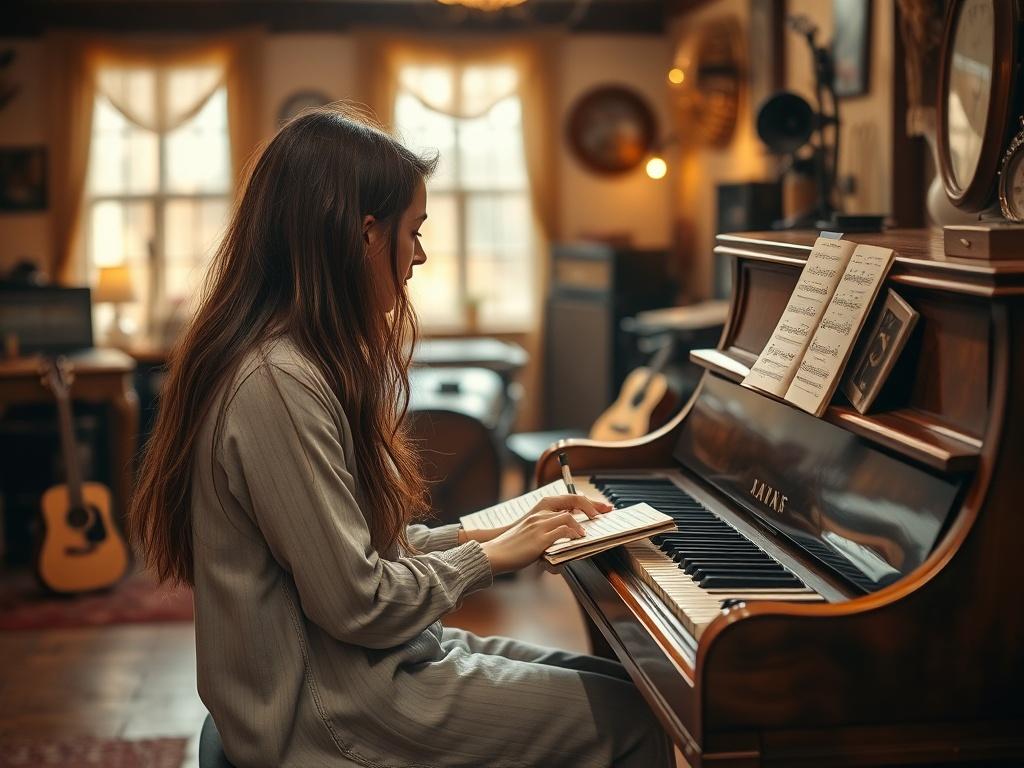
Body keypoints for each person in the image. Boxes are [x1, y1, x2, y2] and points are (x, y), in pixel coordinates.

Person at [128, 107, 672, 768]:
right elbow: (358, 603)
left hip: (364, 670)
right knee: (632, 723)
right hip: (325, 707)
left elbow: (355, 557)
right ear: (362, 236)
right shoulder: (277, 383)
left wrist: (492, 532)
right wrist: (493, 559)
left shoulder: (290, 360)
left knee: (628, 689)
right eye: (412, 232)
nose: (419, 255)